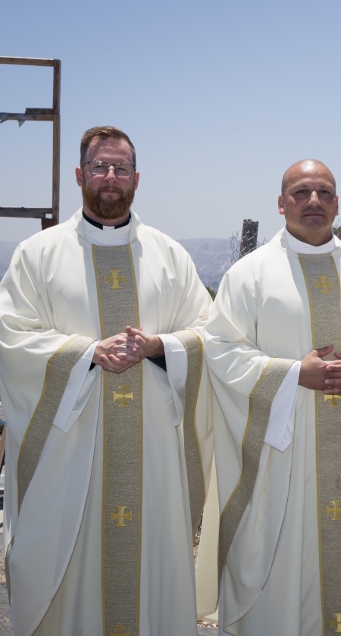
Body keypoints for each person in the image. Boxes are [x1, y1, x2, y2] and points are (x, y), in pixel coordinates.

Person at [0, 126, 214, 635]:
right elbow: (11, 335)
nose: (110, 178)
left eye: (120, 168)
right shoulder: (38, 254)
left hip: (152, 458)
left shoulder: (169, 256)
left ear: (137, 178)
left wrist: (159, 346)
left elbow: (210, 333)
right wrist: (86, 353)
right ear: (80, 175)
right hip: (68, 457)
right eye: (99, 167)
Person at [206, 160, 341, 635]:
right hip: (281, 464)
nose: (312, 201)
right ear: (281, 204)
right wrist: (295, 374)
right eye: (300, 192)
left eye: (323, 192)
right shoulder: (248, 276)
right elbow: (222, 353)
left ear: (337, 204)